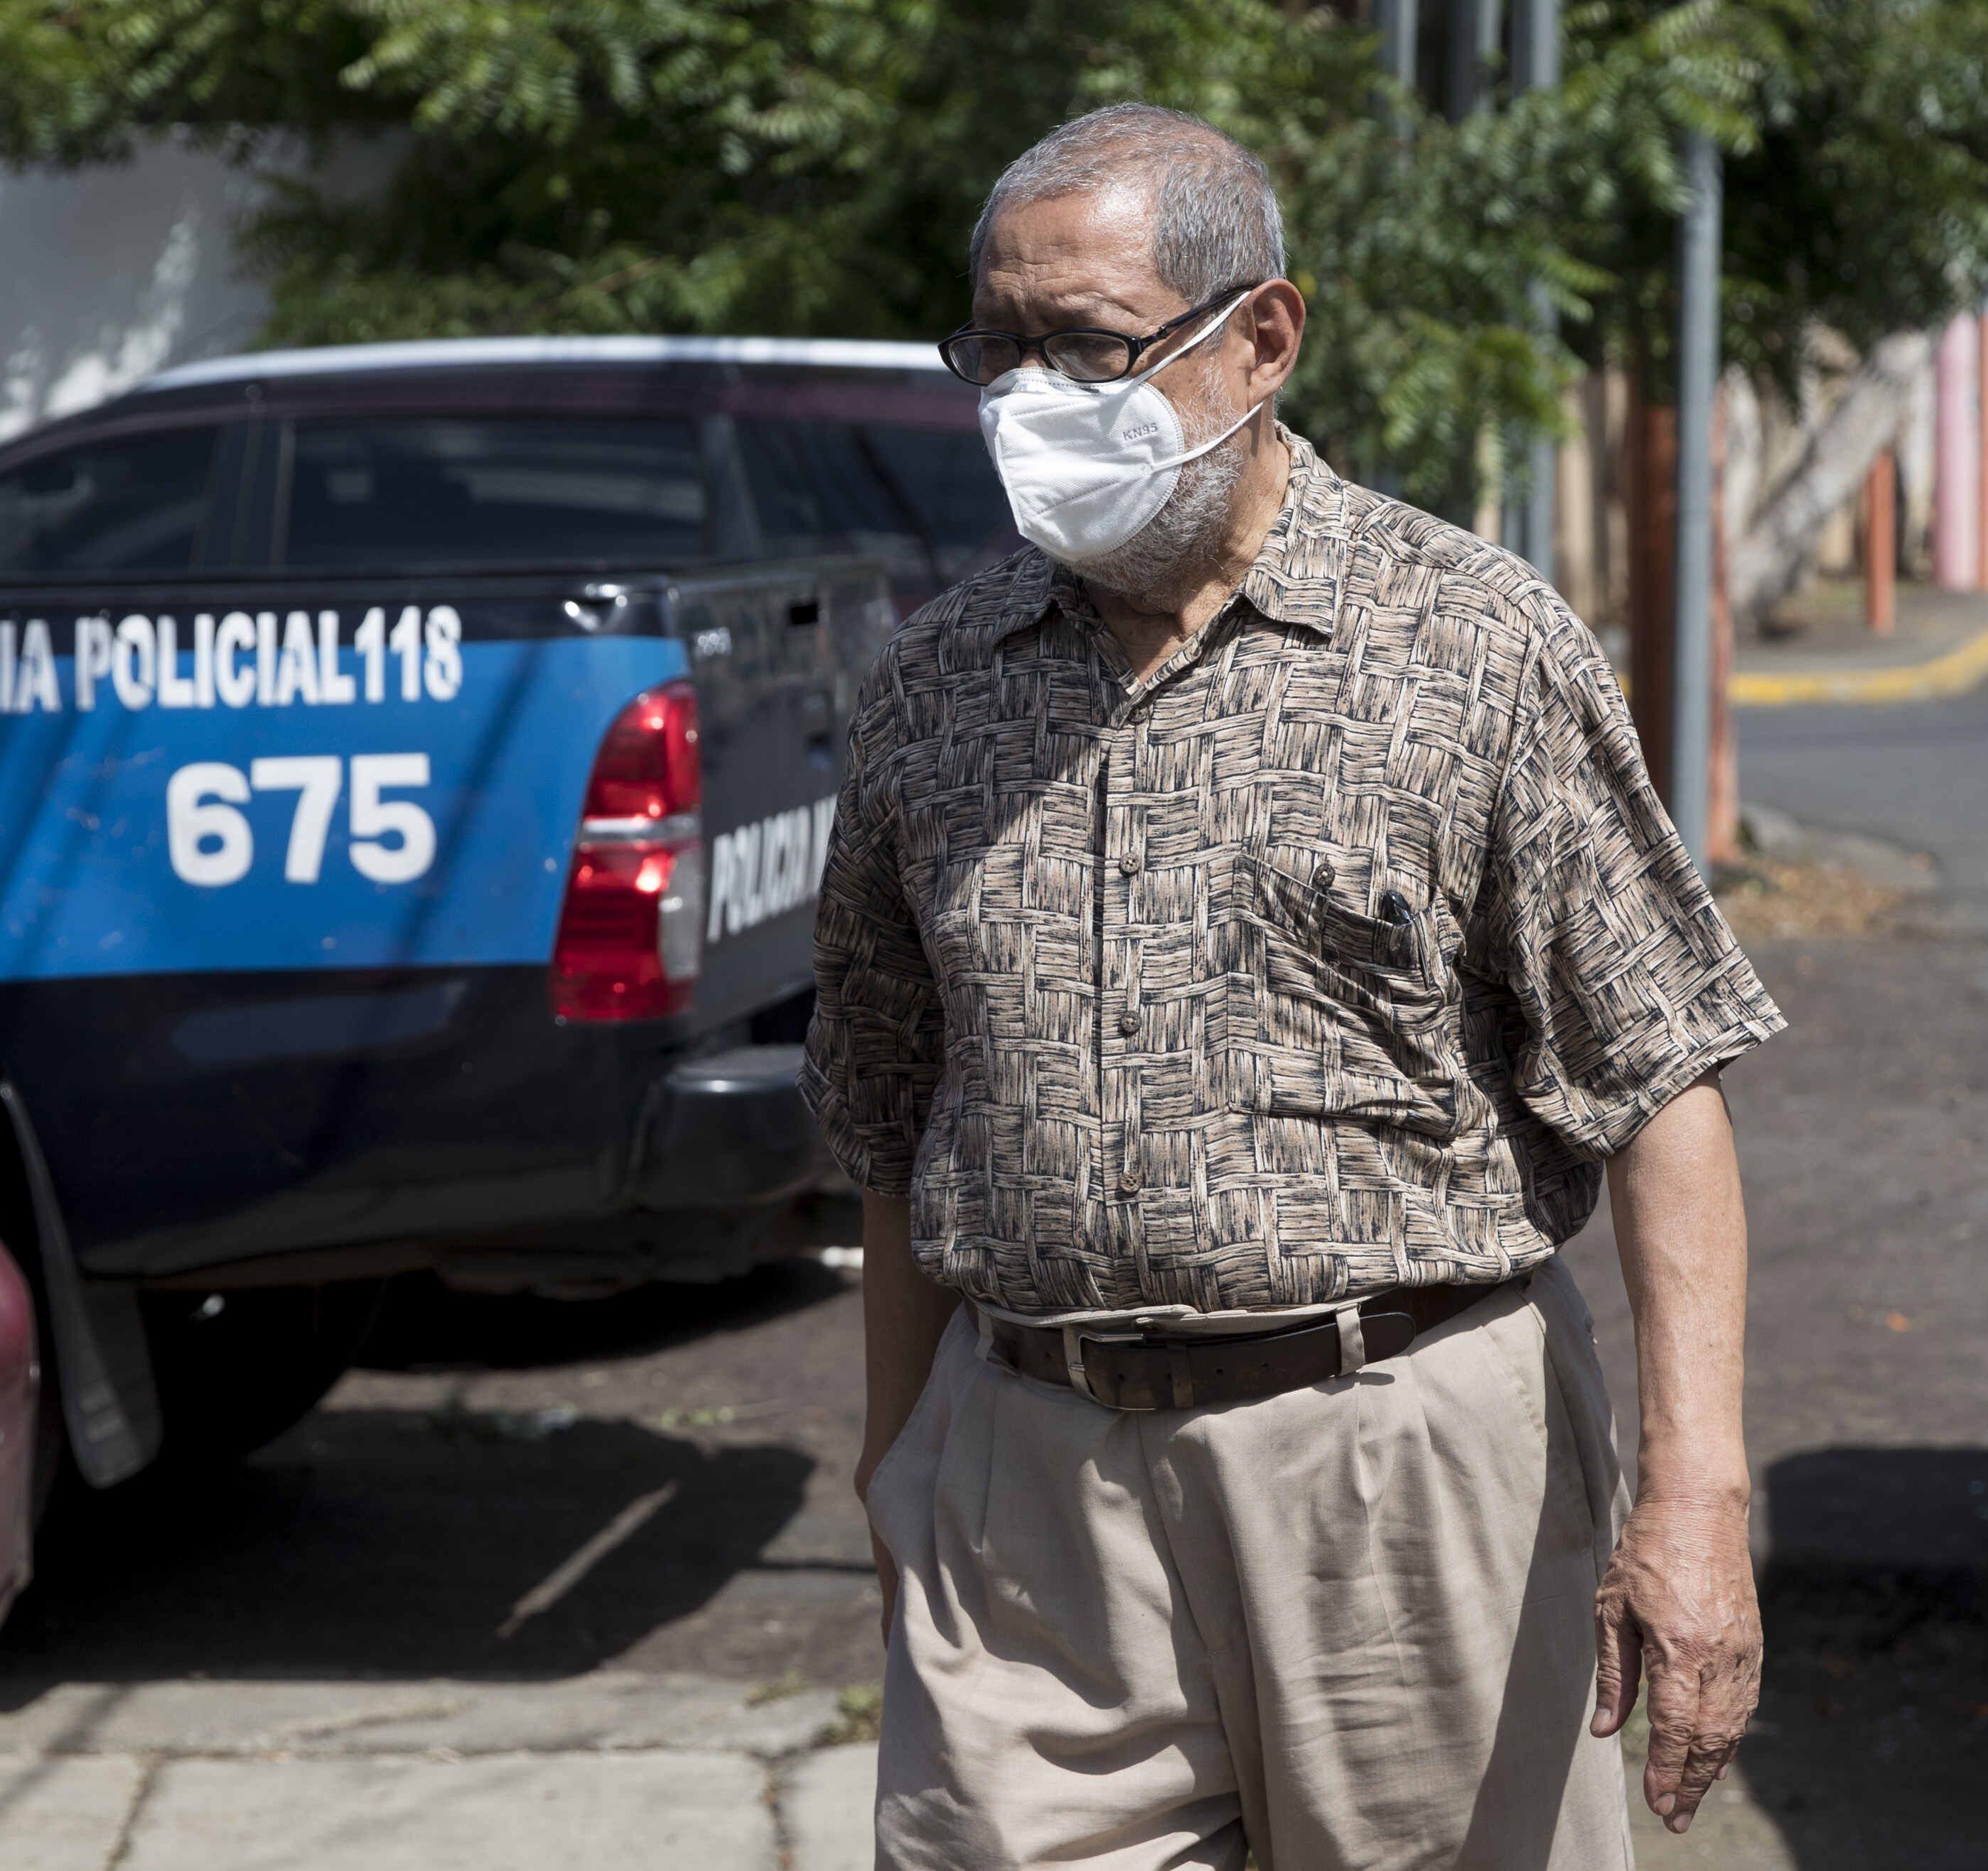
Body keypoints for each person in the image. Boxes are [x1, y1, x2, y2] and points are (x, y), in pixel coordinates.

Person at [800, 101, 1782, 1871]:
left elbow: (1661, 1075)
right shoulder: (937, 682)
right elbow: (891, 1103)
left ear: (1263, 335)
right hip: (1030, 1492)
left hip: (1396, 1474)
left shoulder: (1467, 642)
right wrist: (897, 1468)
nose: (1032, 399)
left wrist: (1696, 1497)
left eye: (1088, 348)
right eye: (997, 348)